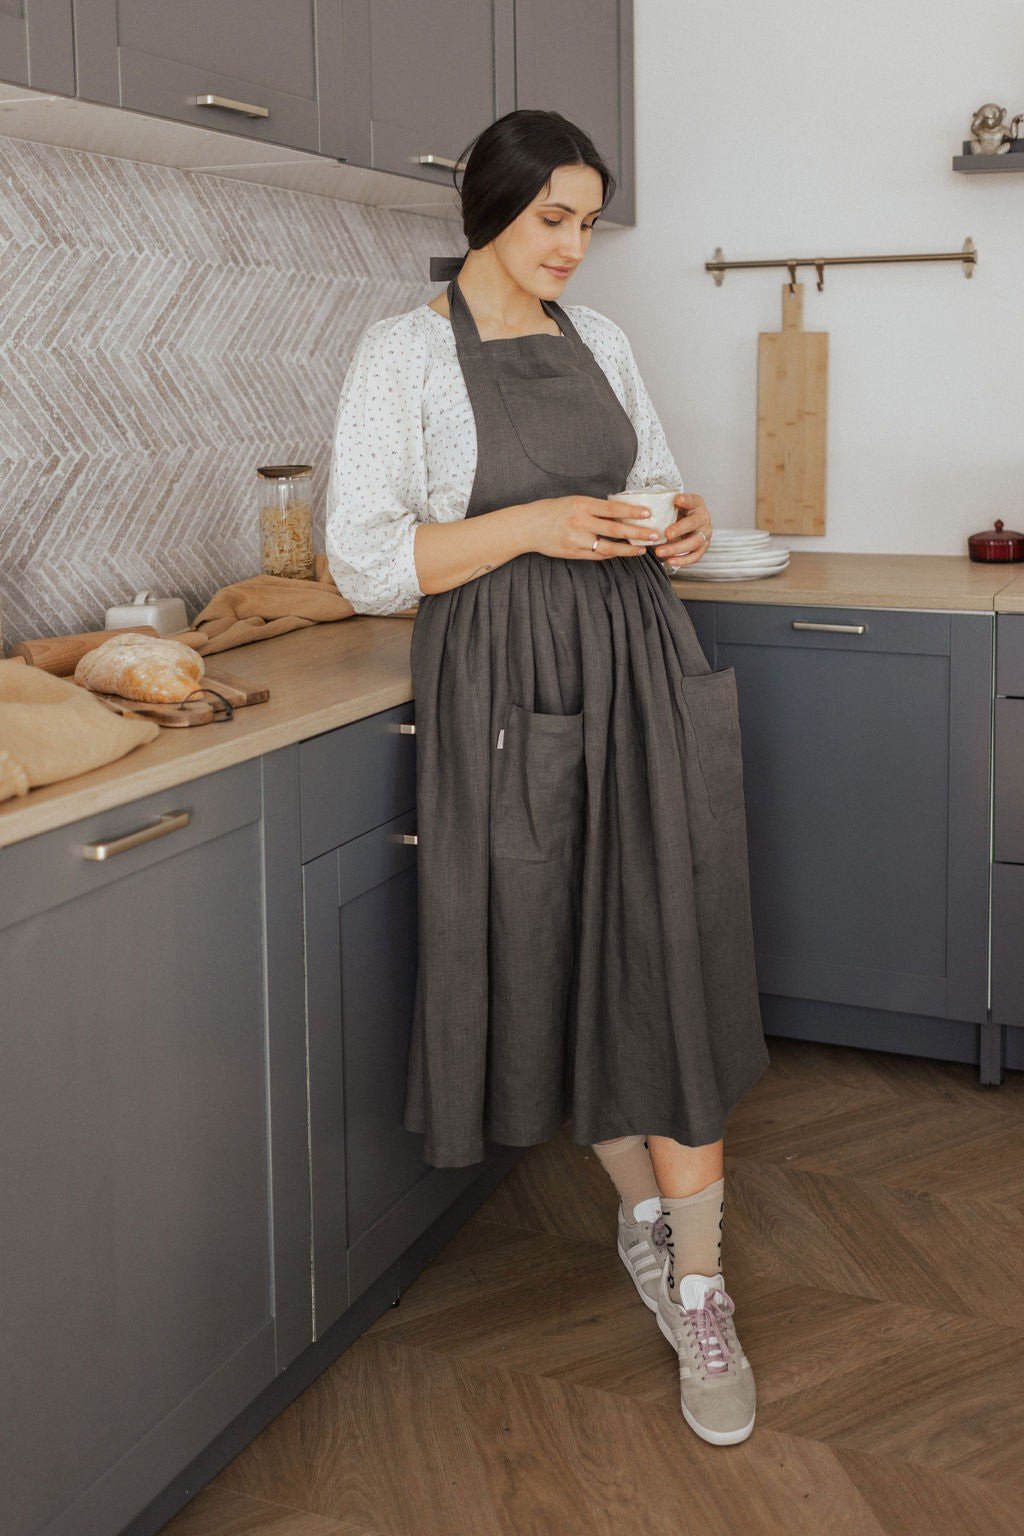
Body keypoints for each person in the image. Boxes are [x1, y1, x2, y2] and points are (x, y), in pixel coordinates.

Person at [326, 108, 770, 1446]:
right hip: (507, 692)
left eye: (587, 219)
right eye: (552, 220)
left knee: (668, 951)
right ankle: (645, 1216)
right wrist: (522, 523)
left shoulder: (605, 339)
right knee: (561, 948)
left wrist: (682, 520)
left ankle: (701, 1288)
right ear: (490, 210)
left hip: (635, 661)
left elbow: (654, 482)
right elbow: (360, 560)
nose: (575, 246)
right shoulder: (402, 355)